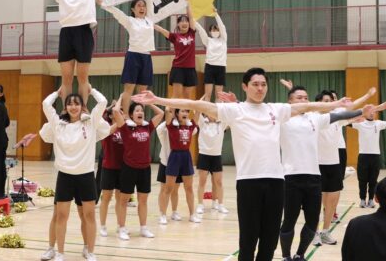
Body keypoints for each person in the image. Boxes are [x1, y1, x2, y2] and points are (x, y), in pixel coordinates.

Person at [131, 67, 351, 261]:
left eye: (263, 84)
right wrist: (159, 100)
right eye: (255, 84)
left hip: (276, 183)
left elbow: (306, 106)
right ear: (245, 86)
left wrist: (336, 105)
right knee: (248, 241)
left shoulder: (276, 109)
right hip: (248, 183)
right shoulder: (235, 110)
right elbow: (193, 103)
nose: (260, 88)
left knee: (269, 241)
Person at [279, 85, 375, 261]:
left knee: (311, 221)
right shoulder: (282, 118)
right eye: (299, 97)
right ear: (290, 101)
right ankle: (286, 256)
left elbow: (339, 115)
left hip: (314, 178)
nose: (303, 100)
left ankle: (300, 254)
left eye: (306, 97)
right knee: (289, 221)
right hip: (290, 178)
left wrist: (361, 110)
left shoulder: (315, 119)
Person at [18, 0, 96, 104]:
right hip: (67, 34)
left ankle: (83, 109)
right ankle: (65, 110)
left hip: (84, 32)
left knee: (83, 78)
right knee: (66, 79)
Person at [40, 85, 110, 261]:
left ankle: (89, 250)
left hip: (86, 176)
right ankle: (59, 252)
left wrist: (92, 90)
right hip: (65, 176)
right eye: (69, 104)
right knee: (61, 215)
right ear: (65, 107)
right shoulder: (58, 124)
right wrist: (57, 92)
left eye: (76, 103)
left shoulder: (90, 122)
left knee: (88, 215)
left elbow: (103, 102)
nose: (73, 107)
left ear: (82, 106)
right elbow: (46, 104)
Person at [312, 88, 380, 246]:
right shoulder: (314, 117)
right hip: (317, 165)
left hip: (334, 165)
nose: (329, 104)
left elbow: (354, 110)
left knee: (332, 201)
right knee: (317, 202)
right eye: (325, 101)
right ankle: (314, 232)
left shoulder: (336, 118)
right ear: (318, 103)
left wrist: (368, 96)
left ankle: (325, 232)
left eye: (330, 101)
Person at [101, 0, 163, 120]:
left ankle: (139, 114)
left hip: (146, 56)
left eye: (144, 6)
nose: (142, 8)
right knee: (129, 88)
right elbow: (117, 13)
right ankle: (126, 117)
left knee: (143, 90)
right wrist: (103, 3)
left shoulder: (149, 20)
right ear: (133, 9)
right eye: (139, 6)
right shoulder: (130, 21)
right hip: (133, 54)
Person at [111, 100, 164, 240]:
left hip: (145, 169)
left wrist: (149, 102)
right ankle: (122, 228)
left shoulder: (147, 127)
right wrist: (123, 98)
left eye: (142, 110)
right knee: (123, 200)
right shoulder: (125, 127)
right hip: (129, 168)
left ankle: (143, 228)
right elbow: (116, 112)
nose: (140, 112)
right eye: (137, 110)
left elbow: (161, 113)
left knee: (143, 200)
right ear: (131, 115)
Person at [158, 107, 200, 224]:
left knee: (189, 188)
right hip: (174, 157)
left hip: (186, 157)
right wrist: (169, 109)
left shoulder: (190, 126)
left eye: (187, 111)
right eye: (182, 111)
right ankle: (162, 215)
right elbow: (168, 115)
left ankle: (192, 214)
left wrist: (199, 105)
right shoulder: (171, 125)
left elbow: (197, 115)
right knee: (168, 188)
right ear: (176, 114)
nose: (186, 113)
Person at [154, 10, 198, 99]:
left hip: (190, 69)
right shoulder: (175, 36)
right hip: (178, 68)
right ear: (178, 24)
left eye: (186, 21)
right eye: (182, 21)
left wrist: (187, 2)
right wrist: (150, 23)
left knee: (187, 98)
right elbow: (161, 30)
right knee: (176, 96)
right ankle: (171, 113)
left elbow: (191, 16)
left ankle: (184, 113)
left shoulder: (192, 33)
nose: (184, 23)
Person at [195, 102, 229, 215]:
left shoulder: (222, 123)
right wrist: (201, 101)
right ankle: (200, 205)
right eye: (210, 112)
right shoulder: (202, 122)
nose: (212, 114)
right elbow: (196, 110)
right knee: (202, 181)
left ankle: (219, 204)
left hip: (216, 156)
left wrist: (225, 103)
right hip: (204, 155)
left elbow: (229, 113)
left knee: (218, 182)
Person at [98, 102, 124, 237]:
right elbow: (101, 115)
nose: (120, 113)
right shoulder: (105, 128)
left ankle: (121, 225)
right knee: (106, 198)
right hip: (108, 167)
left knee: (120, 199)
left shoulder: (125, 128)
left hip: (122, 168)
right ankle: (102, 226)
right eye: (117, 112)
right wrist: (114, 105)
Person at [195, 9, 227, 102]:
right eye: (213, 30)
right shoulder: (208, 41)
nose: (215, 31)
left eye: (216, 29)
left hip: (221, 67)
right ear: (210, 32)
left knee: (219, 95)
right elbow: (201, 30)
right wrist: (193, 20)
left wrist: (216, 14)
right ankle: (206, 115)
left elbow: (222, 26)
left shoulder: (223, 39)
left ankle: (217, 115)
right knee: (207, 95)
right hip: (209, 67)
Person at [156, 119, 184, 224]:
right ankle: (162, 213)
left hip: (177, 163)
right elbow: (158, 128)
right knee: (164, 189)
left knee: (175, 189)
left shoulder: (180, 127)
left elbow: (194, 130)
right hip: (165, 162)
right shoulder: (165, 129)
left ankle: (174, 211)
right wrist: (168, 120)